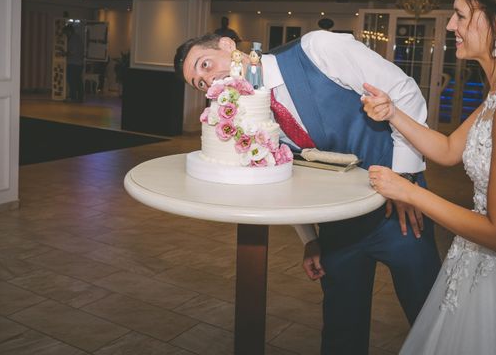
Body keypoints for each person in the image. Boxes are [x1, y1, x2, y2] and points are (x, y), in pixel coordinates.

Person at [174, 29, 441, 354]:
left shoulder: (318, 48)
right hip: (337, 223)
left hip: (397, 208)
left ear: (227, 45)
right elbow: (284, 175)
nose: (207, 81)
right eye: (199, 84)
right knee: (342, 329)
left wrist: (405, 178)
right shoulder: (249, 113)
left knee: (430, 314)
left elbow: (404, 92)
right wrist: (310, 237)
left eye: (204, 65)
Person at [362, 0, 496, 354]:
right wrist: (393, 112)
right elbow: (446, 150)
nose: (450, 26)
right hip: (475, 262)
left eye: (460, 15)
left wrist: (410, 193)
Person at [63, 20, 85, 102]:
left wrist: (64, 53)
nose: (65, 34)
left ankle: (73, 97)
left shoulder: (73, 39)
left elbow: (73, 52)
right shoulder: (77, 38)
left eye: (66, 32)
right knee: (78, 81)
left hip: (74, 63)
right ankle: (79, 97)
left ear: (69, 31)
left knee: (72, 81)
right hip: (78, 63)